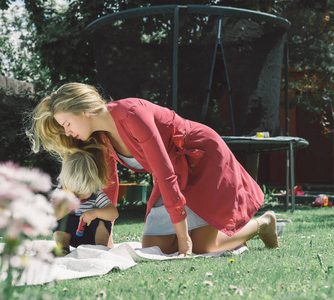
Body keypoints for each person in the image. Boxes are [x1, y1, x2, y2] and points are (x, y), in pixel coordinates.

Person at [26, 82, 279, 256]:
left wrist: (183, 239)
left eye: (67, 123)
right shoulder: (101, 138)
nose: (68, 132)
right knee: (153, 249)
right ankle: (197, 230)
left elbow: (165, 174)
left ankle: (263, 224)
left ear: (83, 110)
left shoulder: (132, 114)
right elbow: (110, 187)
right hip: (173, 172)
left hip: (199, 158)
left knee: (202, 247)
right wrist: (106, 240)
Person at [53, 149, 119, 256]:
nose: (80, 196)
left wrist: (95, 213)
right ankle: (63, 249)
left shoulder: (95, 192)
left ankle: (100, 249)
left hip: (91, 235)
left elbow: (114, 213)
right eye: (75, 192)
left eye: (84, 191)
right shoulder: (61, 192)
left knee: (103, 220)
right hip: (71, 235)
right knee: (60, 221)